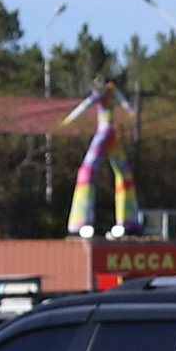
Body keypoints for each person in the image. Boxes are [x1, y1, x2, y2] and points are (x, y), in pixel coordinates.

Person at [60, 77, 140, 240]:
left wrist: (67, 121)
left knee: (88, 172)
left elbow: (83, 107)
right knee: (122, 174)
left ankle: (82, 221)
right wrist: (130, 110)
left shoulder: (105, 92)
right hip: (108, 133)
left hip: (105, 133)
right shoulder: (109, 92)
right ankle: (128, 219)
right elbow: (121, 101)